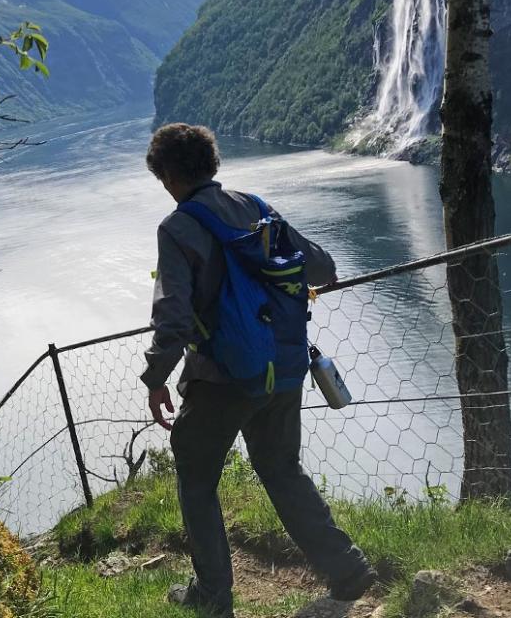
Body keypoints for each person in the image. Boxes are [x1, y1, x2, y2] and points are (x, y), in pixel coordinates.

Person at [139, 123, 376, 617]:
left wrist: (156, 378)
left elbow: (174, 318)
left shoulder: (177, 228)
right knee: (282, 470)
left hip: (220, 380)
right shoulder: (257, 208)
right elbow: (323, 267)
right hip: (284, 368)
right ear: (212, 164)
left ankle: (212, 596)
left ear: (166, 176)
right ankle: (347, 570)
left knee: (198, 480)